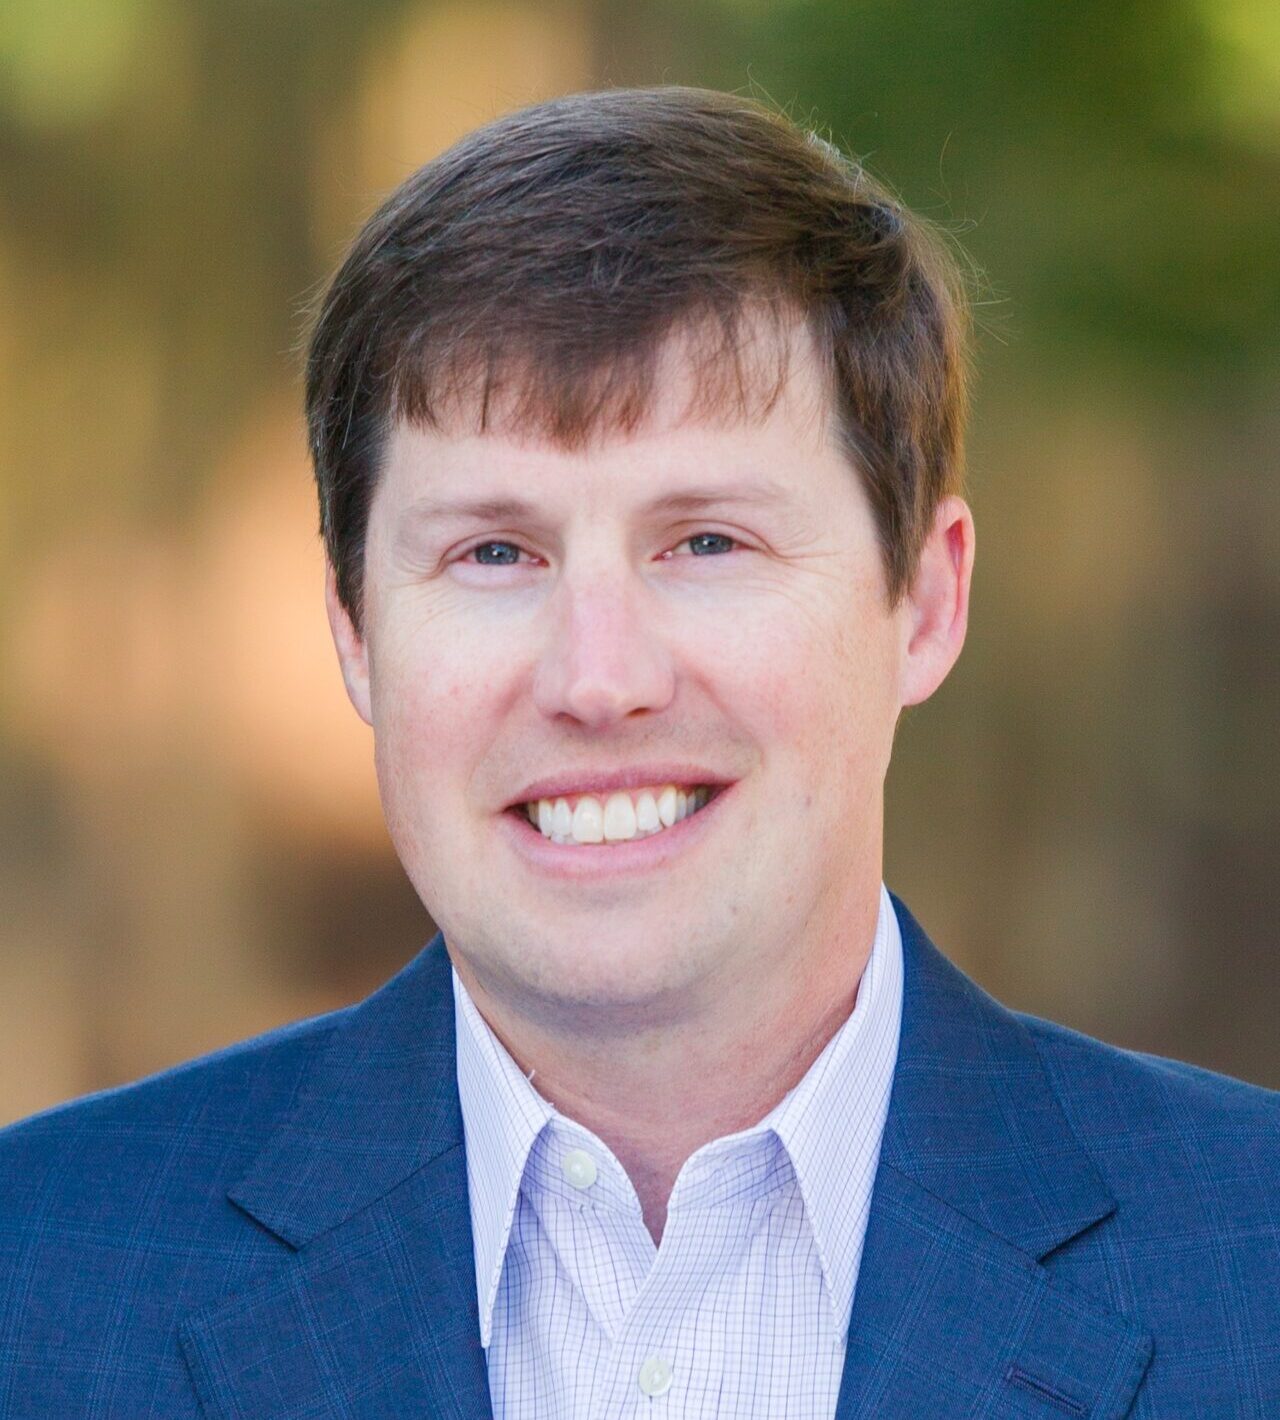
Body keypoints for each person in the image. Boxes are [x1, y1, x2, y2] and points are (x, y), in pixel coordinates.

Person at [0, 86, 1276, 1419]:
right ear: (357, 632)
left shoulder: (1256, 1270)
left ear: (929, 601)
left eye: (706, 543)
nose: (598, 677)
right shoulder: (33, 1286)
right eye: (495, 552)